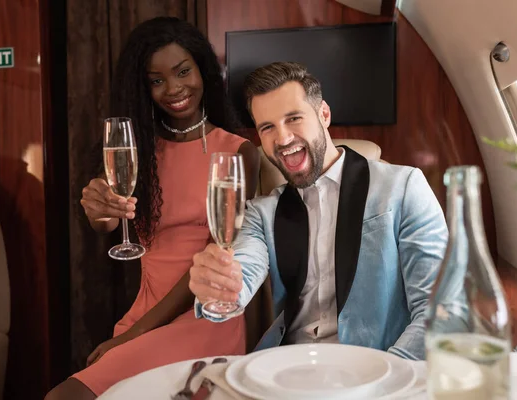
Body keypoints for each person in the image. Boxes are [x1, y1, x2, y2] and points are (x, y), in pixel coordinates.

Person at [46, 17, 259, 400]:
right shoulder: (138, 147)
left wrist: (134, 335)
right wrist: (100, 214)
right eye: (156, 80)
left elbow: (218, 254)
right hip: (145, 311)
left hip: (204, 317)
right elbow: (110, 224)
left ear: (203, 70)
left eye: (182, 72)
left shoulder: (238, 152)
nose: (174, 89)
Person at [188, 61, 448, 360]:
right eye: (268, 127)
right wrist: (217, 287)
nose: (283, 139)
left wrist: (389, 374)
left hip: (379, 366)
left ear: (323, 114)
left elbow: (437, 309)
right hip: (286, 370)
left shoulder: (404, 187)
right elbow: (240, 278)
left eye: (294, 118)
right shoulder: (261, 213)